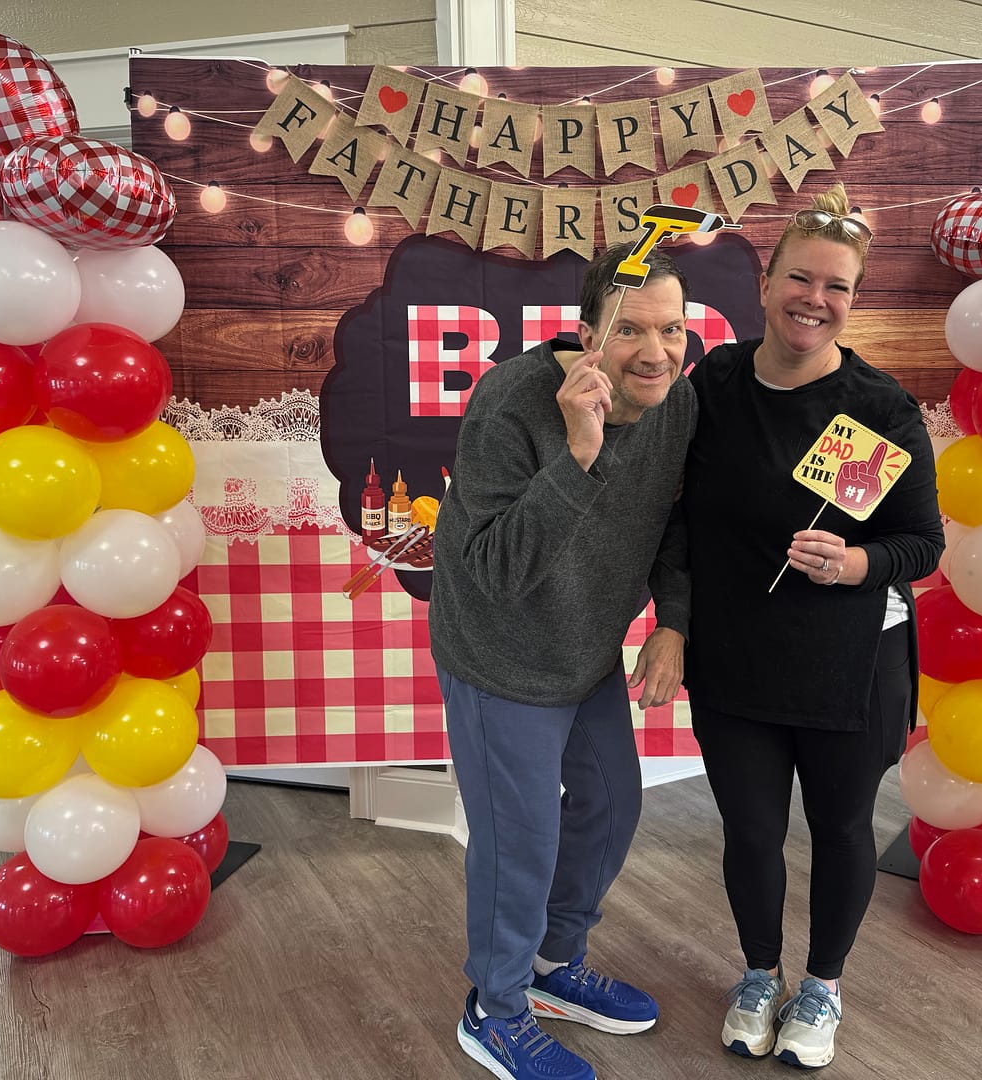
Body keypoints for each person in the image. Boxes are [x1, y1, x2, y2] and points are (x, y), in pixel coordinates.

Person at [681, 184, 943, 1069]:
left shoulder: (881, 409)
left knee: (840, 831)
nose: (816, 300)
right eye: (801, 277)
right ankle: (758, 973)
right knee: (750, 832)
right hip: (734, 660)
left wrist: (857, 562)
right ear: (764, 283)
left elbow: (922, 544)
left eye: (838, 287)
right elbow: (675, 511)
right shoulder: (713, 380)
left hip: (847, 665)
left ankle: (822, 985)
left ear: (853, 298)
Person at [429, 241, 697, 1080]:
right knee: (521, 840)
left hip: (586, 649)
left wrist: (673, 622)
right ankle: (495, 1007)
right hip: (500, 650)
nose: (655, 353)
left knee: (611, 808)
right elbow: (497, 571)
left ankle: (550, 965)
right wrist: (578, 451)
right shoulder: (512, 403)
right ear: (586, 333)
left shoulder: (675, 402)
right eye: (631, 333)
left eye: (673, 329)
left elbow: (678, 520)